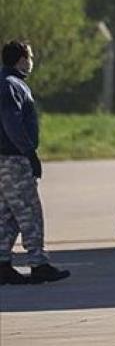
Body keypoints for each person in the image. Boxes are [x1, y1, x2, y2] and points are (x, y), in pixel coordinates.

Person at [1, 41, 70, 285]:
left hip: (5, 159)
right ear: (21, 59)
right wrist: (29, 152)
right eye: (29, 56)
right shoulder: (12, 85)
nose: (31, 61)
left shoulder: (5, 82)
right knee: (30, 213)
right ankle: (39, 263)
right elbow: (12, 122)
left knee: (7, 214)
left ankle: (3, 264)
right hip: (13, 160)